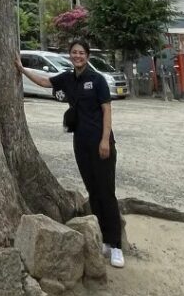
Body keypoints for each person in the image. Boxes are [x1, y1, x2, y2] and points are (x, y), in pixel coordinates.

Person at [16, 39, 124, 268]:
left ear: (87, 55)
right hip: (80, 143)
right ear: (70, 55)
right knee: (93, 192)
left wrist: (105, 140)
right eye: (74, 53)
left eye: (81, 53)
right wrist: (22, 69)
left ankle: (116, 245)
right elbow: (45, 81)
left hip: (101, 143)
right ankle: (104, 239)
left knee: (106, 192)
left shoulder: (97, 80)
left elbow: (107, 110)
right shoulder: (68, 78)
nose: (77, 56)